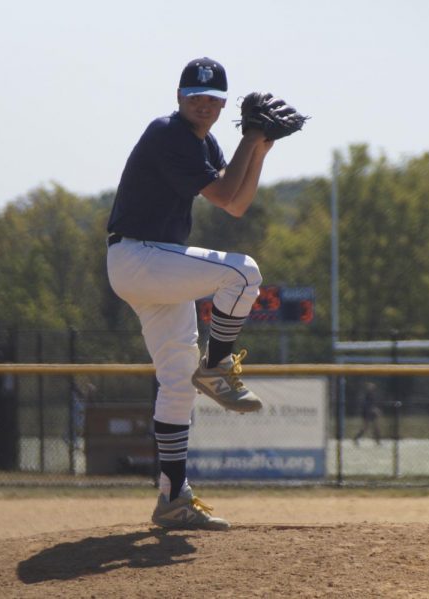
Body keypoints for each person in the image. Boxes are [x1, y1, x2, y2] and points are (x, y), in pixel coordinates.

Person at [106, 57, 275, 531]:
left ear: (223, 104)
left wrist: (260, 147)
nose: (204, 104)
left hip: (154, 265)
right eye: (195, 95)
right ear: (179, 97)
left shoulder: (206, 140)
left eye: (213, 98)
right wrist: (249, 138)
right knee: (243, 274)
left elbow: (238, 204)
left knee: (177, 381)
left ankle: (172, 496)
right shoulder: (168, 132)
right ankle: (218, 366)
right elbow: (223, 194)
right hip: (140, 256)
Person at [353, 382, 382, 446]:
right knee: (365, 427)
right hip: (367, 413)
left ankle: (378, 441)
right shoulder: (368, 395)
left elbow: (373, 404)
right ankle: (356, 438)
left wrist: (375, 409)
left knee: (376, 427)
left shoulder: (372, 395)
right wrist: (374, 409)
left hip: (371, 413)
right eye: (370, 387)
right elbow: (367, 405)